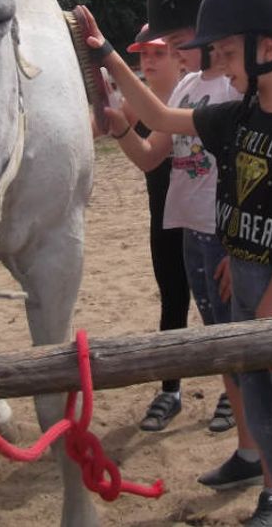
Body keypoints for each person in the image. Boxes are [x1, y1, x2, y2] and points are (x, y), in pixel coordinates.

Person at [75, 0, 272, 527]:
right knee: (267, 423)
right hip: (249, 295)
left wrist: (265, 317)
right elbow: (161, 120)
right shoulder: (240, 115)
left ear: (266, 49)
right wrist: (105, 55)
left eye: (226, 53)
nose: (219, 65)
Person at [100, 0, 272, 526]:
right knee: (225, 353)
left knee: (253, 361)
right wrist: (119, 128)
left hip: (228, 240)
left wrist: (237, 247)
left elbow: (257, 174)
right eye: (172, 43)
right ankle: (250, 454)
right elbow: (154, 155)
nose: (178, 52)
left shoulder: (234, 88)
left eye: (183, 42)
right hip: (194, 238)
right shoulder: (185, 85)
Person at [115, 25, 193, 432]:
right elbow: (108, 125)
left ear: (180, 54)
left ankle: (234, 390)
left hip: (205, 221)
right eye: (142, 52)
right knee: (173, 301)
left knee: (223, 311)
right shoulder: (137, 105)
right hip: (163, 218)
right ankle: (171, 389)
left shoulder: (195, 97)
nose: (146, 60)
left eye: (156, 52)